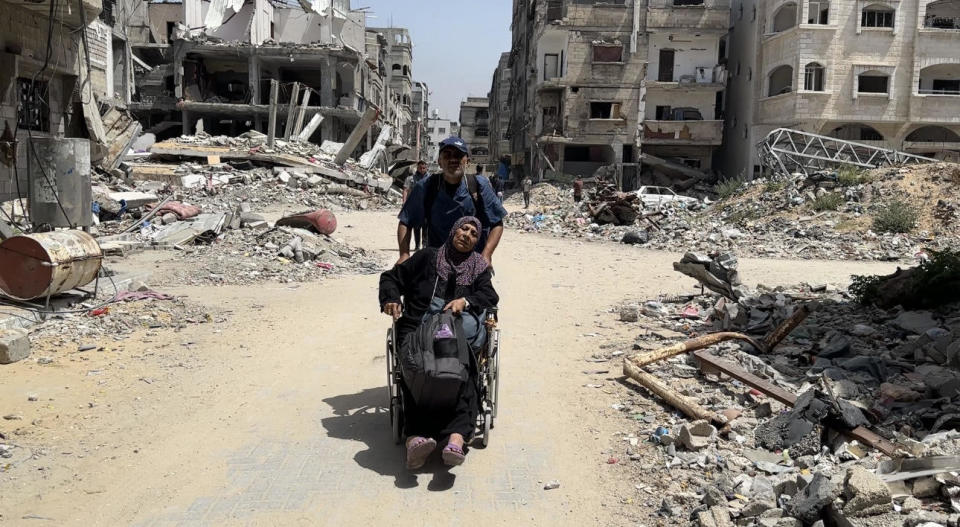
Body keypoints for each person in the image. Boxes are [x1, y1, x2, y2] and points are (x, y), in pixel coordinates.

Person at [379, 216, 499, 469]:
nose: (467, 234)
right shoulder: (427, 257)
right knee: (416, 368)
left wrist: (464, 302)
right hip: (418, 327)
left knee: (460, 368)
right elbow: (391, 278)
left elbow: (489, 295)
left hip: (452, 333)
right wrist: (391, 298)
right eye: (463, 228)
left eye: (474, 233)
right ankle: (414, 439)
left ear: (477, 241)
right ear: (453, 230)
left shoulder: (478, 266)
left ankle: (455, 439)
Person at [397, 137, 506, 266]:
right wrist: (404, 254)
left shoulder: (478, 185)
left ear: (467, 161)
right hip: (437, 263)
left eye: (458, 155)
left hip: (472, 263)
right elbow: (406, 221)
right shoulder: (426, 186)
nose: (453, 159)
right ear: (439, 162)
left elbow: (497, 223)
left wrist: (487, 255)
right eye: (447, 155)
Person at [402, 161, 430, 250]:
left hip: (426, 206)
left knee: (425, 226)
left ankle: (425, 244)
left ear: (426, 168)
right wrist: (404, 201)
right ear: (417, 168)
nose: (422, 170)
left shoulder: (430, 178)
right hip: (415, 206)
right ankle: (417, 245)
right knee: (416, 226)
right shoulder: (411, 179)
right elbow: (406, 190)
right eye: (420, 168)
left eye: (424, 168)